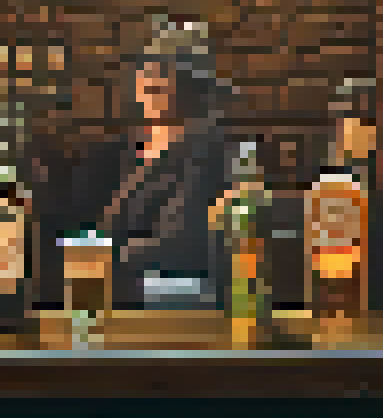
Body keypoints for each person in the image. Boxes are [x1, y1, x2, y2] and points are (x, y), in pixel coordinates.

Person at [35, 21, 235, 308]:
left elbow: (180, 245)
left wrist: (94, 257)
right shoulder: (117, 154)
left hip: (159, 301)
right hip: (98, 290)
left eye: (168, 69)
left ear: (195, 86)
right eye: (147, 67)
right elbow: (71, 219)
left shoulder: (206, 154)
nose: (152, 76)